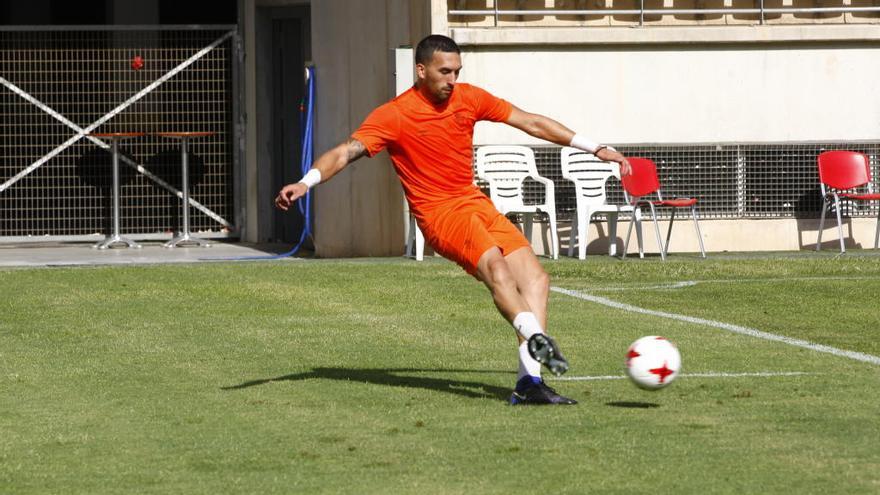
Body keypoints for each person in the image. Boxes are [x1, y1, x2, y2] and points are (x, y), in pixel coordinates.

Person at [275, 34, 631, 406]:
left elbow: (531, 123)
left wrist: (595, 148)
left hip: (475, 203)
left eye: (457, 71)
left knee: (536, 280)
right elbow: (345, 152)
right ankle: (537, 340)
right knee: (497, 270)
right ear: (421, 70)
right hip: (440, 214)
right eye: (444, 71)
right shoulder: (394, 114)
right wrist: (305, 182)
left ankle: (529, 384)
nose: (452, 79)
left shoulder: (469, 98)